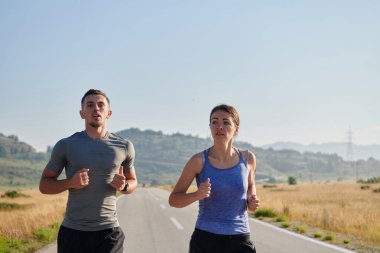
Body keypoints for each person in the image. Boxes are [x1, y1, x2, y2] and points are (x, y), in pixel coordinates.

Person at [39, 89, 137, 253]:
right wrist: (70, 182)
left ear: (109, 113)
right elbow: (44, 185)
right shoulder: (66, 145)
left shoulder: (124, 146)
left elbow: (133, 181)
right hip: (73, 232)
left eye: (100, 105)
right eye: (90, 105)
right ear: (82, 113)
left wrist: (125, 186)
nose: (96, 109)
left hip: (109, 232)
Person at [169, 104, 260, 253]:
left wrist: (252, 198)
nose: (219, 127)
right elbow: (173, 200)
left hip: (240, 238)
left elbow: (250, 185)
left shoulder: (248, 158)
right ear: (210, 127)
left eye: (226, 122)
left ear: (236, 129)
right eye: (214, 122)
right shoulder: (198, 161)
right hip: (206, 240)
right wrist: (197, 195)